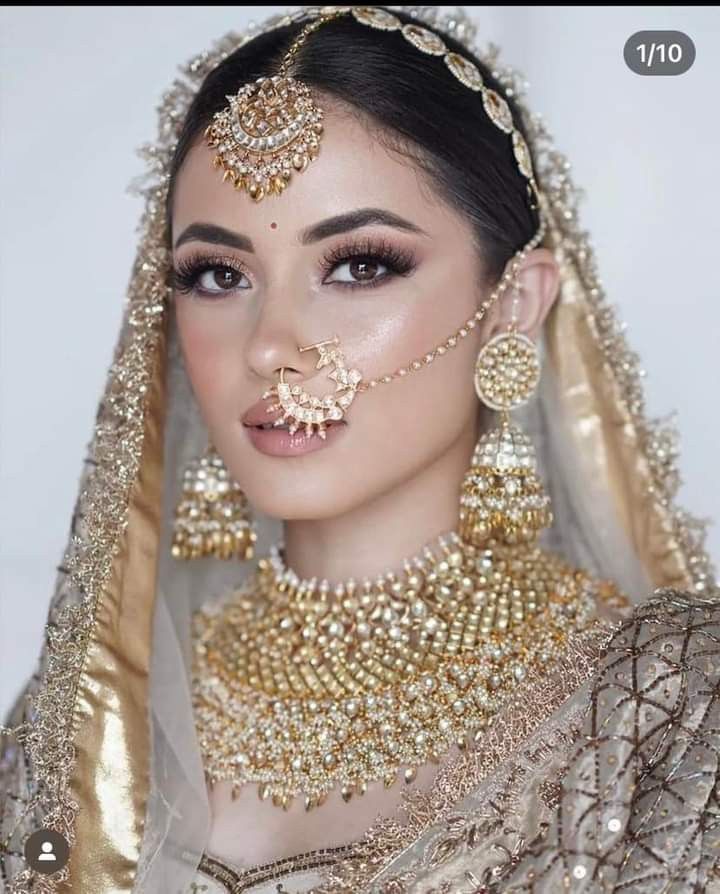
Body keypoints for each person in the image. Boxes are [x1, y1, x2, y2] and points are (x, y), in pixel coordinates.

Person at [1, 6, 718, 893]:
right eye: (217, 276)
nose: (270, 345)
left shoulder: (670, 709)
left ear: (514, 303)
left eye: (359, 265)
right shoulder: (87, 714)